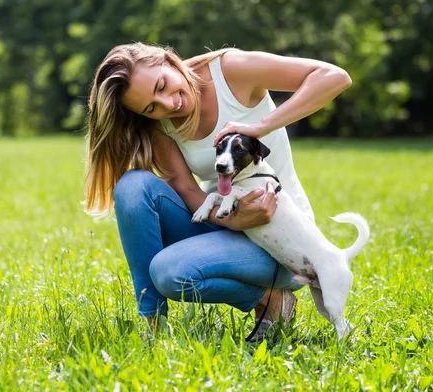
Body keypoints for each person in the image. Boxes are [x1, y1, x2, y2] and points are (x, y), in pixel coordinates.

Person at [84, 42, 352, 340]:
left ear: (169, 60)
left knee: (169, 272)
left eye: (162, 85)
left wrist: (260, 127)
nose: (168, 105)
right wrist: (232, 220)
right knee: (132, 187)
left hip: (281, 239)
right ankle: (154, 328)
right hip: (222, 221)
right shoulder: (160, 125)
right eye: (151, 107)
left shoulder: (231, 71)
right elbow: (186, 189)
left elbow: (334, 77)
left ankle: (276, 296)